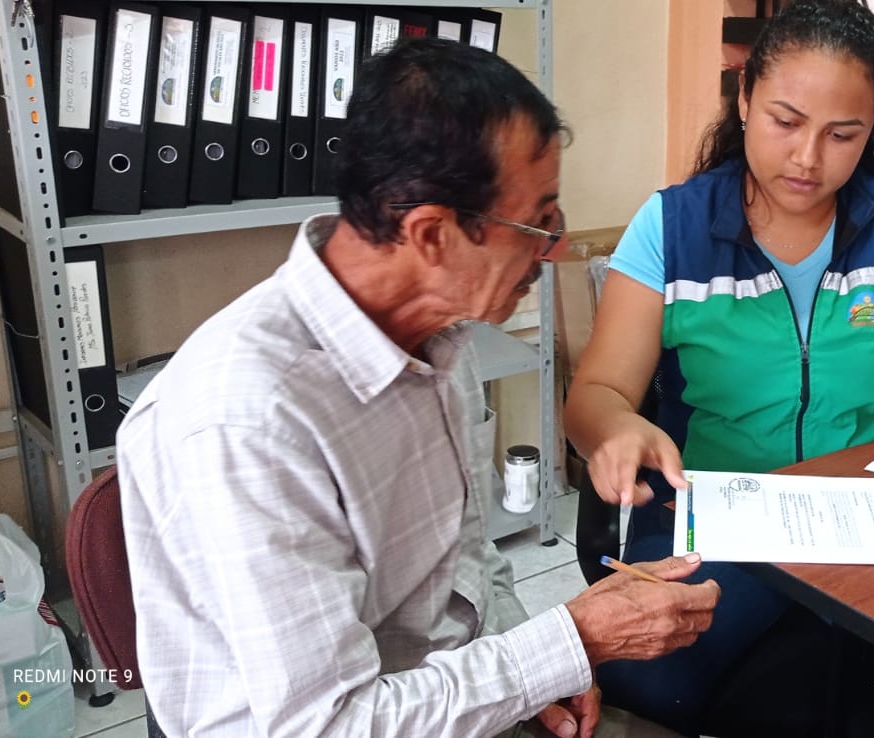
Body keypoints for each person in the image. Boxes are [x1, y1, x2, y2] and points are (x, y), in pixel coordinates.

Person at [117, 39, 719, 738]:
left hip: (448, 704)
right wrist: (568, 644)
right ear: (431, 234)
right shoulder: (246, 423)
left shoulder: (438, 340)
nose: (553, 249)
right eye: (538, 224)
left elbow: (467, 564)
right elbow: (329, 724)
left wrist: (542, 674)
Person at [564, 0, 874, 734]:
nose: (806, 158)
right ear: (744, 98)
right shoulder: (672, 229)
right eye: (785, 122)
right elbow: (597, 392)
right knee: (645, 680)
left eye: (841, 135)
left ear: (871, 131)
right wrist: (615, 430)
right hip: (723, 519)